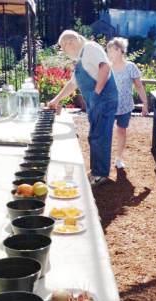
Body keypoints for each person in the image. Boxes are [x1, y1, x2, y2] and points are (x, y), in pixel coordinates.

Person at [48, 30, 118, 186]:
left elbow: (105, 68)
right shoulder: (80, 59)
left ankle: (100, 174)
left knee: (100, 136)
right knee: (94, 136)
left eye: (64, 49)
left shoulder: (91, 48)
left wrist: (96, 93)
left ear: (71, 42)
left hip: (104, 100)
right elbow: (72, 84)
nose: (65, 53)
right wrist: (55, 100)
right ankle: (96, 170)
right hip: (96, 102)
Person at [107, 37, 148, 169]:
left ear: (119, 50)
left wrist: (145, 103)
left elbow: (139, 86)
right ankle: (104, 159)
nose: (108, 53)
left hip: (125, 106)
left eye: (110, 50)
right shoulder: (106, 67)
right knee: (105, 132)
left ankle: (118, 159)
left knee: (121, 131)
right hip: (109, 106)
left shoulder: (131, 67)